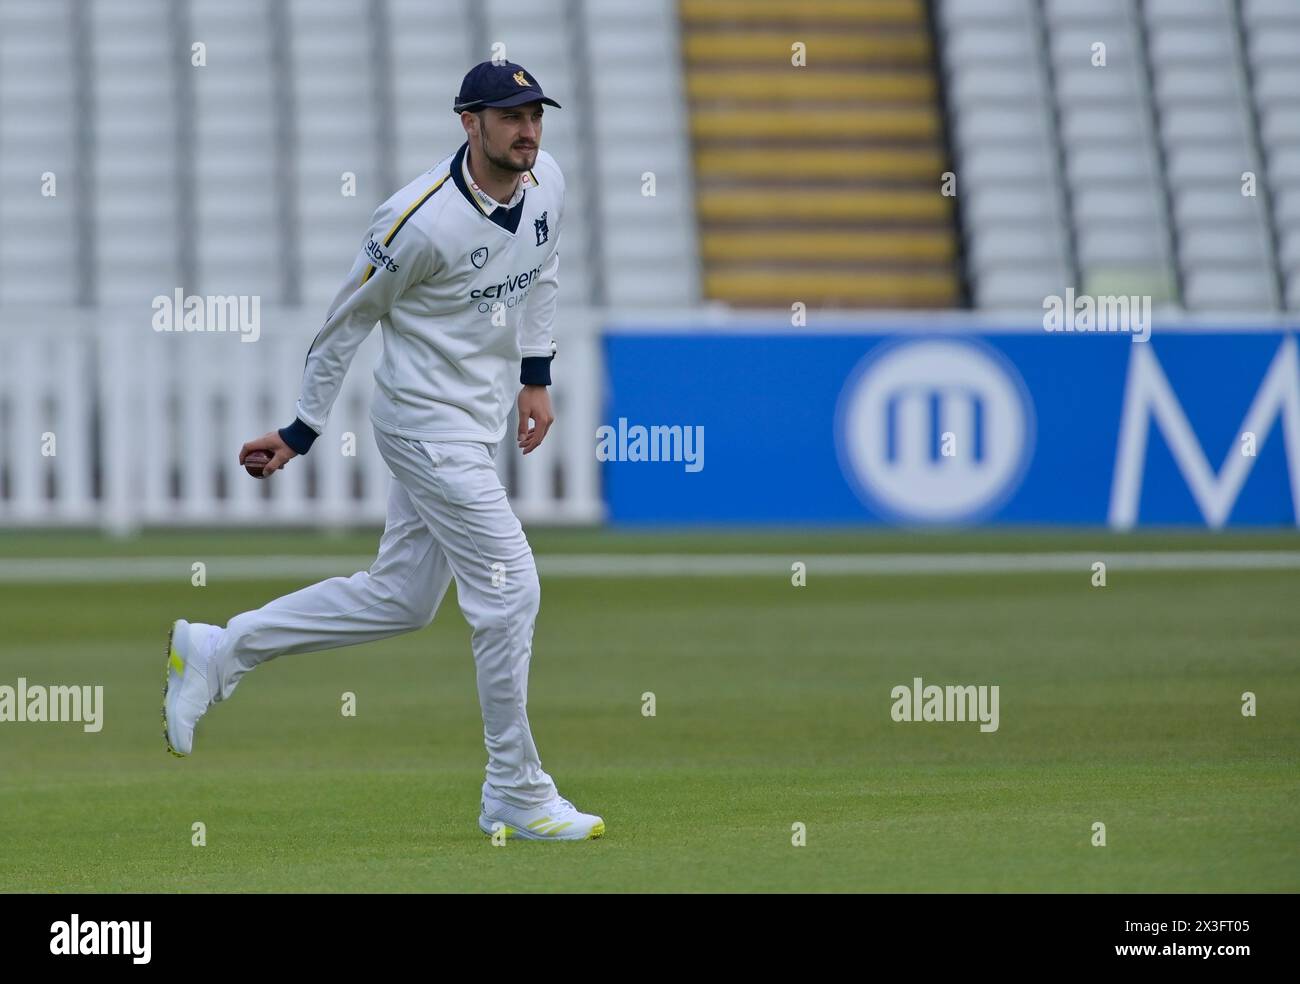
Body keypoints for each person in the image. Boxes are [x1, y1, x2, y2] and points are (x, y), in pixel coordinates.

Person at [161, 60, 603, 842]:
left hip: (478, 421)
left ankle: (221, 648)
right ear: (469, 123)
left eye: (535, 114)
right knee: (511, 589)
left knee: (400, 600)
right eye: (510, 117)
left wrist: (536, 376)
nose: (528, 130)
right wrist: (300, 431)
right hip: (422, 428)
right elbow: (346, 323)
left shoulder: (549, 183)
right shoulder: (414, 222)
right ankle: (514, 789)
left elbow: (544, 272)